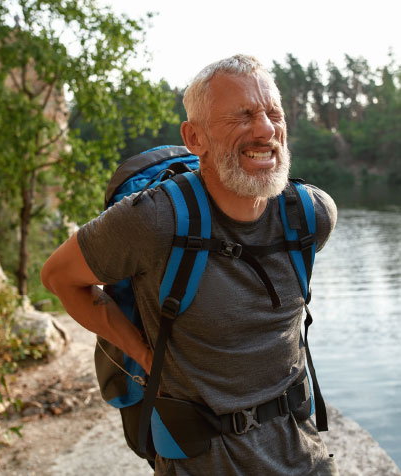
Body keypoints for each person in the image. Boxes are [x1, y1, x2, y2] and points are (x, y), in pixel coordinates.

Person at [41, 54, 338, 476]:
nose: (266, 128)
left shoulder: (310, 216)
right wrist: (144, 356)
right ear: (194, 137)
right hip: (199, 463)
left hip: (302, 456)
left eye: (274, 113)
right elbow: (58, 277)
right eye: (243, 115)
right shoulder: (153, 219)